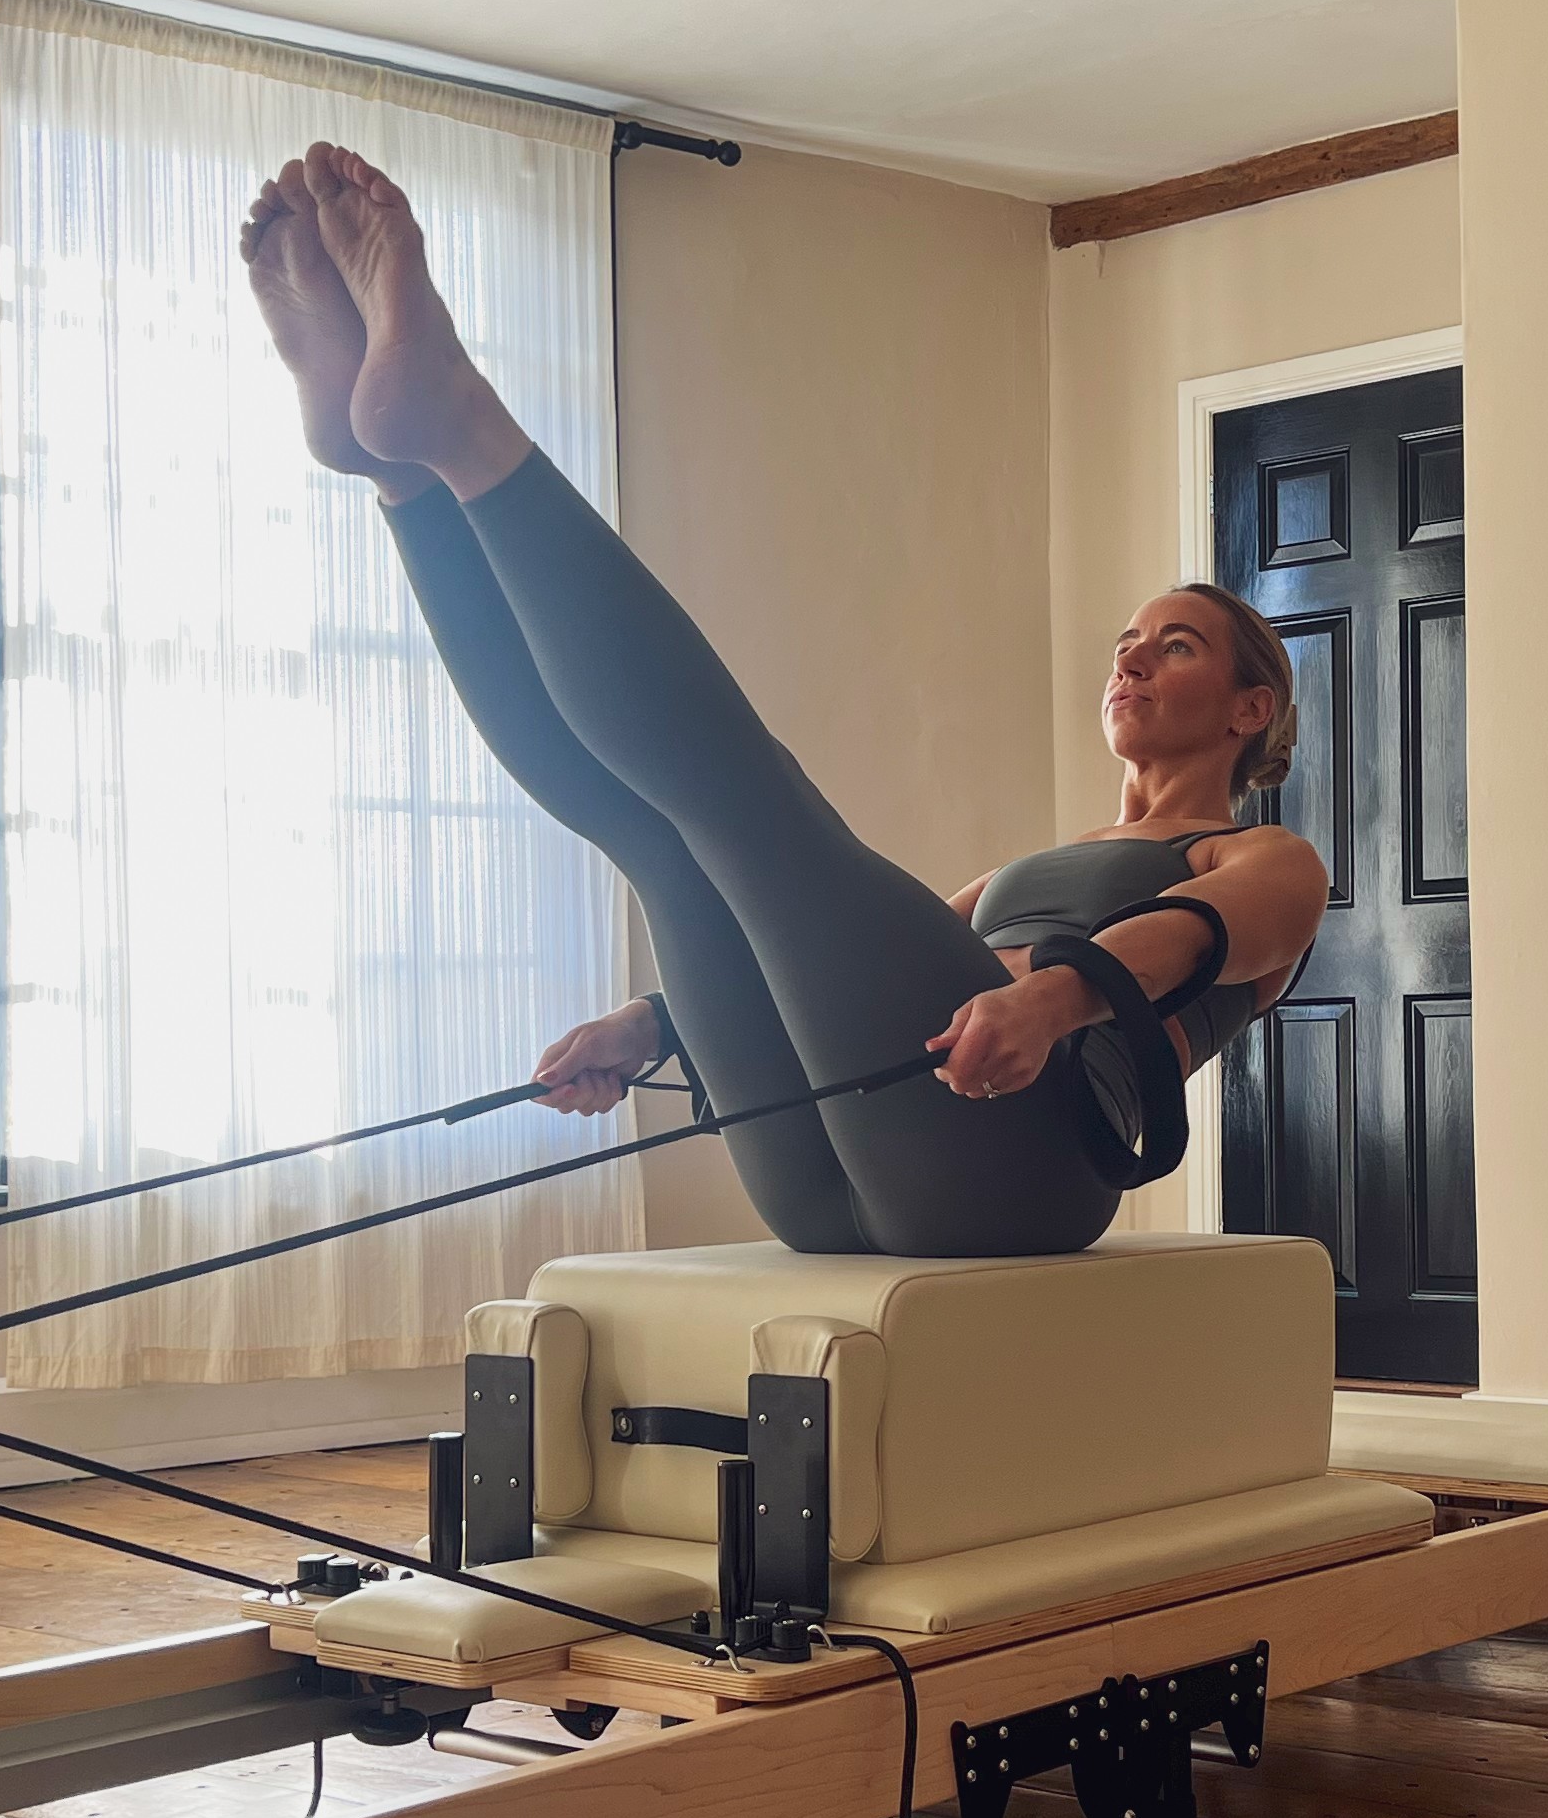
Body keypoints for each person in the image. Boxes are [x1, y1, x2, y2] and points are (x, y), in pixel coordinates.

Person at [240, 143, 1328, 1259]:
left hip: (1024, 1168)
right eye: (1126, 643)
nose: (1133, 661)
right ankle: (407, 482)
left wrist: (1049, 1002)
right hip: (829, 1179)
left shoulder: (1264, 864)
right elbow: (810, 961)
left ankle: (459, 432)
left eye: (1178, 647)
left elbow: (1195, 943)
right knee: (670, 843)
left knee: (750, 812)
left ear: (1251, 710)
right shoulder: (1008, 883)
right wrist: (652, 1027)